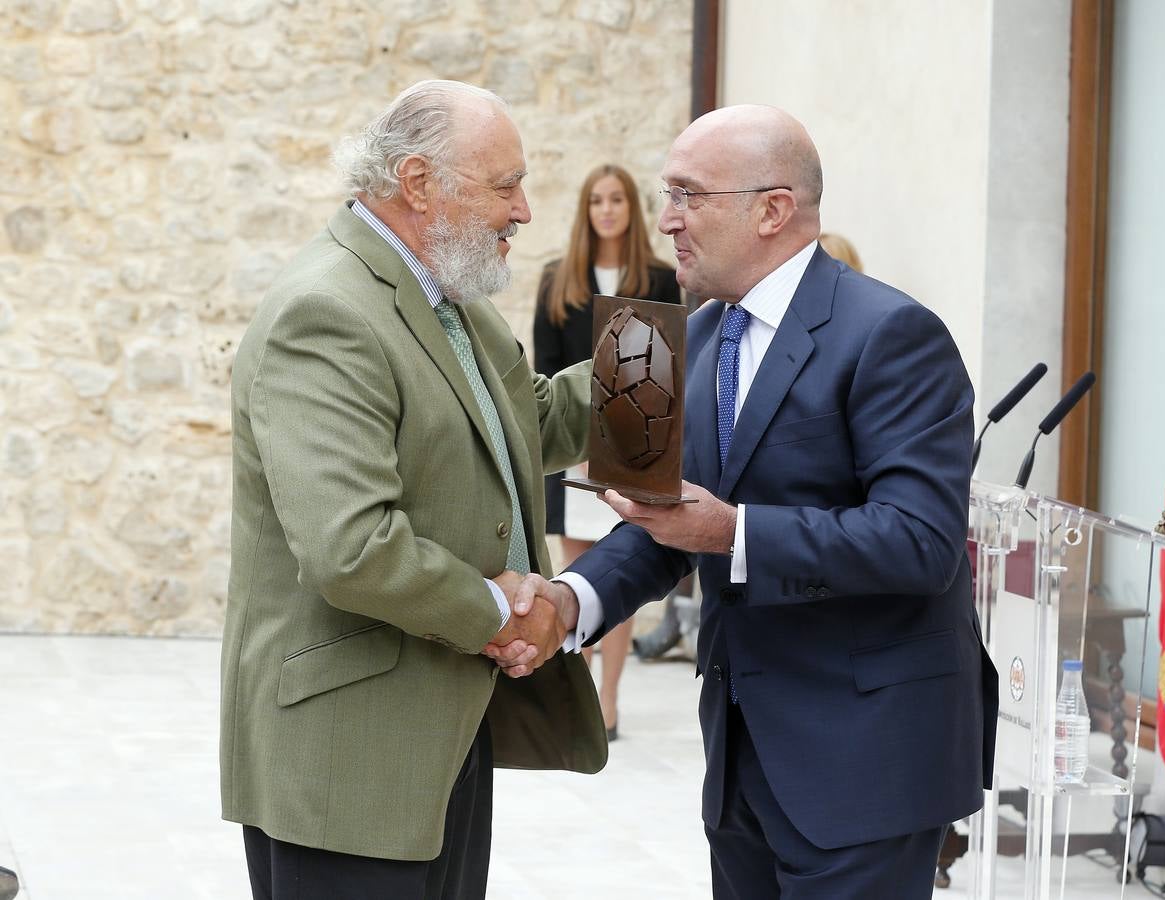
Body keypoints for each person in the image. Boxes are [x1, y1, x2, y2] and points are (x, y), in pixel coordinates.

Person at [490, 105, 998, 898]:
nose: (666, 221)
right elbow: (660, 523)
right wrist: (569, 598)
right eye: (667, 195)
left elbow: (920, 543)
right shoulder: (669, 341)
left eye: (689, 195)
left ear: (773, 209)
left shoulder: (893, 334)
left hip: (865, 765)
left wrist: (736, 533)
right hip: (739, 763)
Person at [220, 80, 606, 900]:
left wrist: (683, 356)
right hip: (346, 764)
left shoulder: (448, 298)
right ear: (420, 184)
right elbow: (350, 547)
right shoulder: (324, 314)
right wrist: (502, 612)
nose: (524, 210)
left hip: (439, 733)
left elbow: (529, 420)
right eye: (505, 185)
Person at [532, 164, 681, 740]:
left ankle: (608, 700)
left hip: (637, 448)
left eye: (617, 199)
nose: (608, 209)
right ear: (586, 210)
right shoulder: (557, 278)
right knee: (580, 573)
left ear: (630, 208)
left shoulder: (661, 278)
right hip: (576, 448)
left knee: (623, 567)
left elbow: (672, 363)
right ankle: (577, 695)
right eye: (597, 200)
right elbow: (545, 374)